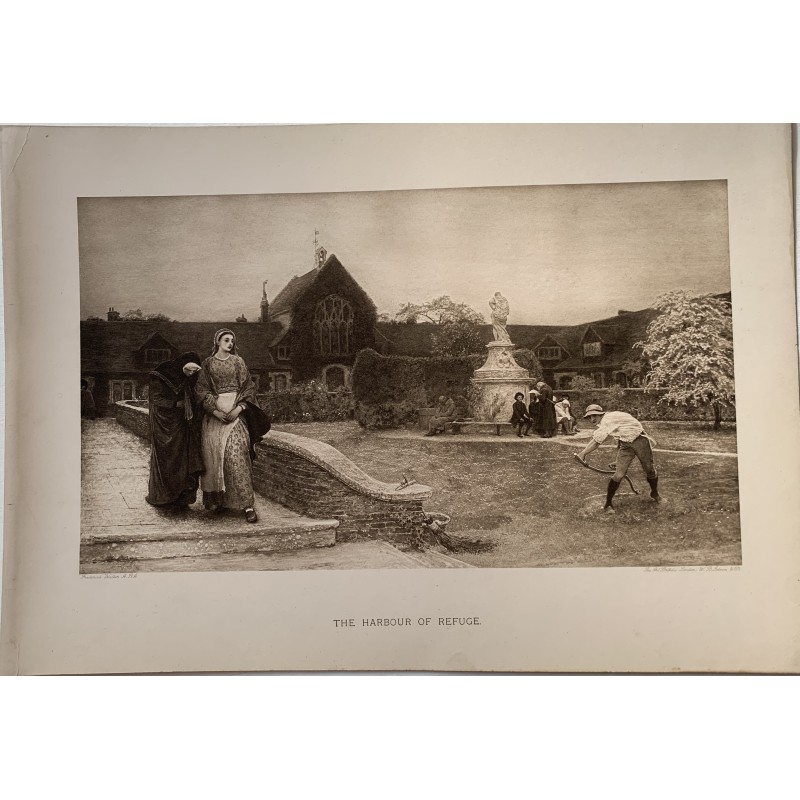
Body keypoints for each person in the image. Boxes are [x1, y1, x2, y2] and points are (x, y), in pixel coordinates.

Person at [195, 329, 271, 523]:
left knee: (237, 456)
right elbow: (201, 391)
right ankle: (219, 502)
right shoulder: (208, 364)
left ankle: (247, 506)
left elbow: (248, 388)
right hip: (214, 419)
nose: (230, 343)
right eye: (226, 340)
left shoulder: (238, 361)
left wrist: (238, 409)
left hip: (236, 416)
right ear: (218, 342)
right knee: (214, 460)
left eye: (232, 341)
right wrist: (216, 412)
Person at [145, 352, 204, 508]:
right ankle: (165, 496)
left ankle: (181, 497)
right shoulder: (162, 375)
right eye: (189, 370)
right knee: (167, 460)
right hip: (164, 425)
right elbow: (156, 399)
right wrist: (175, 404)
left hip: (183, 425)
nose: (191, 374)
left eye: (194, 372)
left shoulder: (189, 378)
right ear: (182, 365)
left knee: (183, 460)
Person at [579, 403, 661, 513]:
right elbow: (620, 436)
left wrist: (583, 453)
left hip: (640, 440)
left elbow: (597, 441)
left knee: (649, 469)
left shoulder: (607, 419)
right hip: (626, 444)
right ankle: (608, 504)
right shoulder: (608, 420)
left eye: (594, 415)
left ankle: (655, 494)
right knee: (618, 474)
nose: (592, 419)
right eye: (589, 417)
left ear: (601, 414)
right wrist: (618, 460)